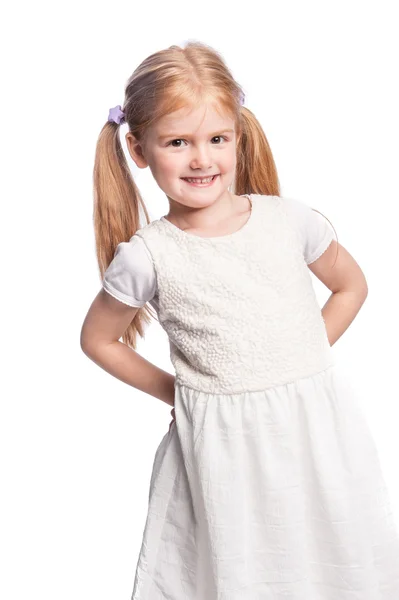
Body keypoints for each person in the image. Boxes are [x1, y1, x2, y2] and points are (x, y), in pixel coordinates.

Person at [80, 41, 399, 599]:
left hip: (312, 431)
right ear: (137, 148)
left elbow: (352, 285)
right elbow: (99, 339)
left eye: (216, 139)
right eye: (178, 142)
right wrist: (179, 393)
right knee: (238, 570)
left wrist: (297, 359)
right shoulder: (149, 254)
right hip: (221, 446)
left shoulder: (289, 220)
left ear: (237, 135)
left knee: (330, 558)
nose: (201, 159)